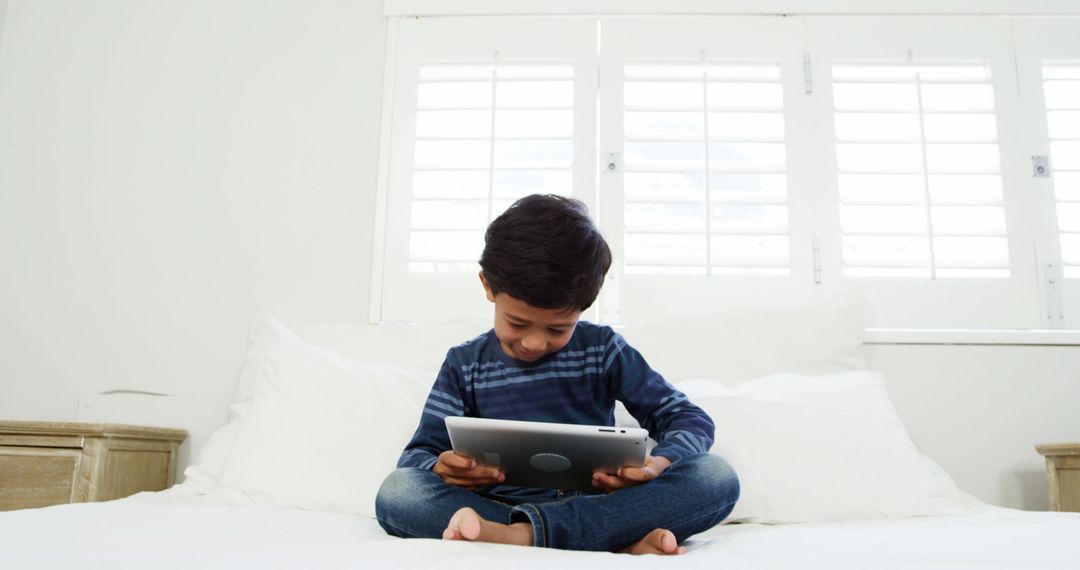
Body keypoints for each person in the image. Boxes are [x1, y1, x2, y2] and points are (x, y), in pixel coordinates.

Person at [374, 194, 739, 555]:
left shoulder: (604, 350)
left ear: (585, 306)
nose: (533, 343)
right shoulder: (463, 363)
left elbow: (688, 418)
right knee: (399, 492)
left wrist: (659, 463)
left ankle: (518, 538)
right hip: (496, 508)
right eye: (517, 323)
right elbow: (417, 455)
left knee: (715, 477)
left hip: (596, 504)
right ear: (487, 286)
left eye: (557, 329)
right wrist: (441, 466)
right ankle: (616, 541)